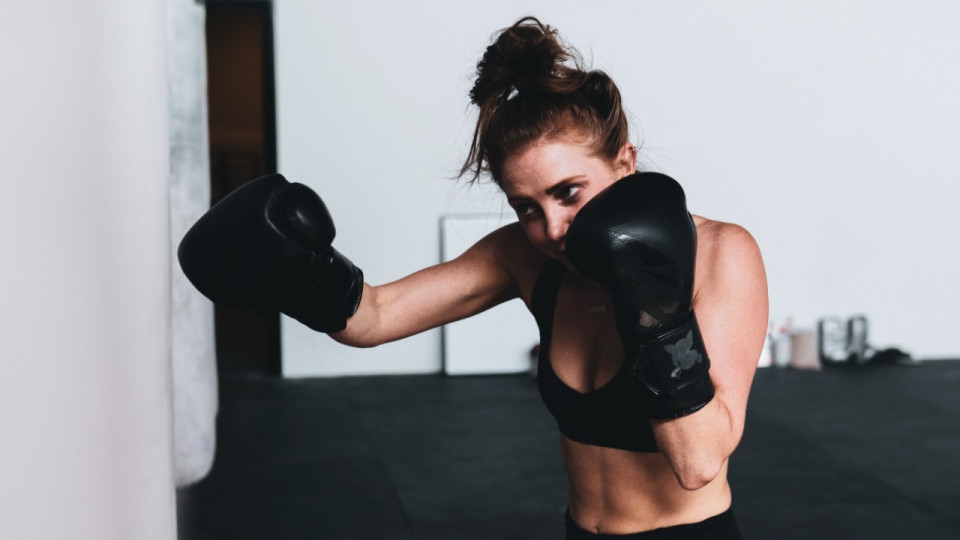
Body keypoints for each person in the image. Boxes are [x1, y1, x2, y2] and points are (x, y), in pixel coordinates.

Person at [178, 16, 768, 539]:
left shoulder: (720, 254)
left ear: (626, 163)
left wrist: (650, 303)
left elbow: (698, 464)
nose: (553, 228)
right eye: (526, 207)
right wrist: (303, 270)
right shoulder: (528, 255)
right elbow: (376, 317)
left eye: (569, 193)